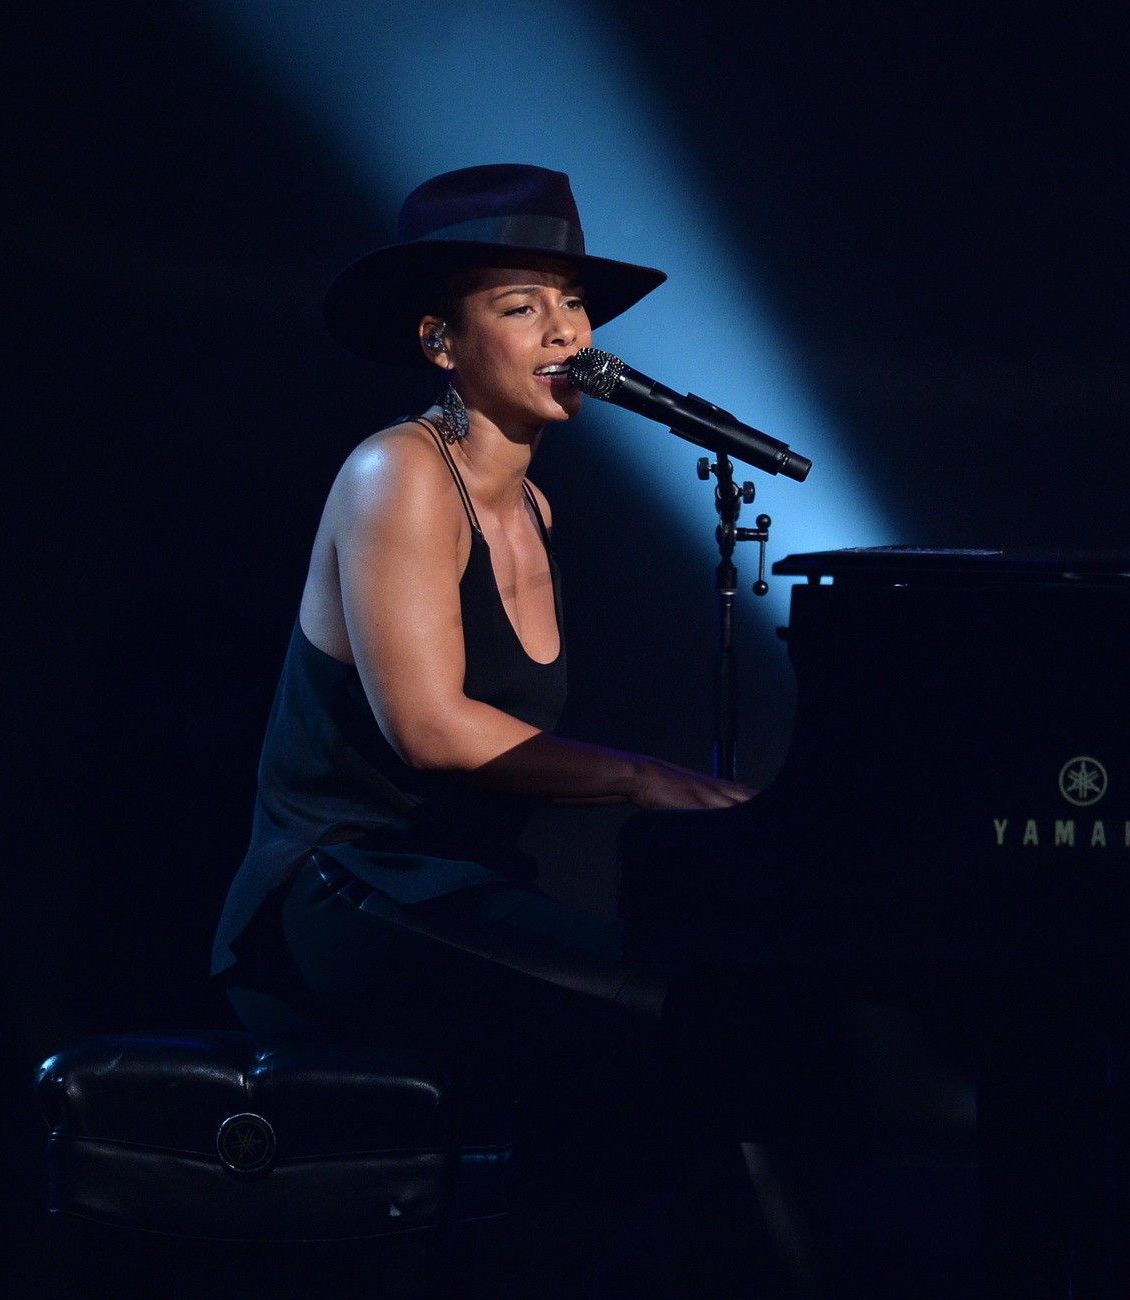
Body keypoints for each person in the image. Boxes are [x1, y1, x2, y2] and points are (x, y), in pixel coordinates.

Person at [211, 163, 751, 1073]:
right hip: (344, 896)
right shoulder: (400, 472)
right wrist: (646, 780)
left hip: (461, 894)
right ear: (440, 342)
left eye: (572, 302)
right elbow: (431, 729)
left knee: (732, 994)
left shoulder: (535, 510)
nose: (566, 331)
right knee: (687, 1013)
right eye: (520, 307)